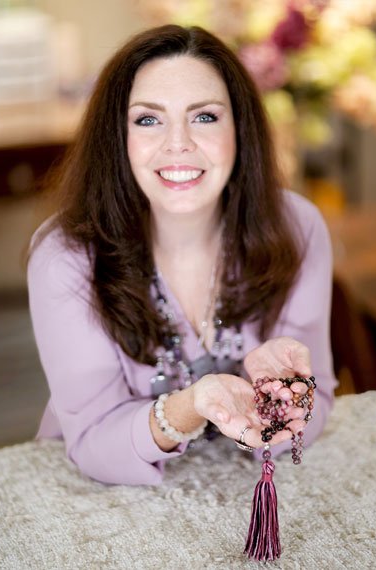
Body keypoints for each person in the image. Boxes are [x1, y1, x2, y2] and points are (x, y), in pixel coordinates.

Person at [27, 24, 337, 486]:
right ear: (118, 137)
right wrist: (191, 406)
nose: (178, 144)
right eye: (148, 119)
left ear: (241, 129)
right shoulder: (66, 256)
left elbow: (315, 410)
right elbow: (93, 443)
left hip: (240, 494)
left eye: (205, 116)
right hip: (96, 505)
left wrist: (285, 399)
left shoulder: (299, 228)